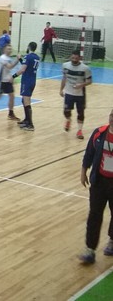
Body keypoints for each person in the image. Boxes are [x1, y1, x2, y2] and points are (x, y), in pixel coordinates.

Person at [78, 109, 113, 264]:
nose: (112, 119)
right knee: (94, 215)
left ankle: (112, 240)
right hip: (99, 182)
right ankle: (90, 249)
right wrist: (83, 172)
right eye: (112, 116)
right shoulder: (99, 134)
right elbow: (89, 154)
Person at [61, 50, 93, 139]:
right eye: (73, 58)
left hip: (80, 94)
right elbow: (64, 78)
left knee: (81, 112)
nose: (74, 60)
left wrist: (81, 85)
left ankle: (79, 130)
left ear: (80, 58)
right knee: (66, 111)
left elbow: (90, 81)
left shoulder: (85, 68)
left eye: (76, 58)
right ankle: (68, 120)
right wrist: (61, 89)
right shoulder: (65, 65)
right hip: (69, 93)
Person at [14, 41, 40, 131]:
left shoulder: (28, 57)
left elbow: (23, 70)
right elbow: (27, 66)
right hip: (32, 80)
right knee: (24, 100)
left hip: (27, 81)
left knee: (26, 102)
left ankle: (30, 124)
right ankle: (26, 120)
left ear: (29, 47)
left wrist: (13, 76)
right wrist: (20, 59)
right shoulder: (37, 57)